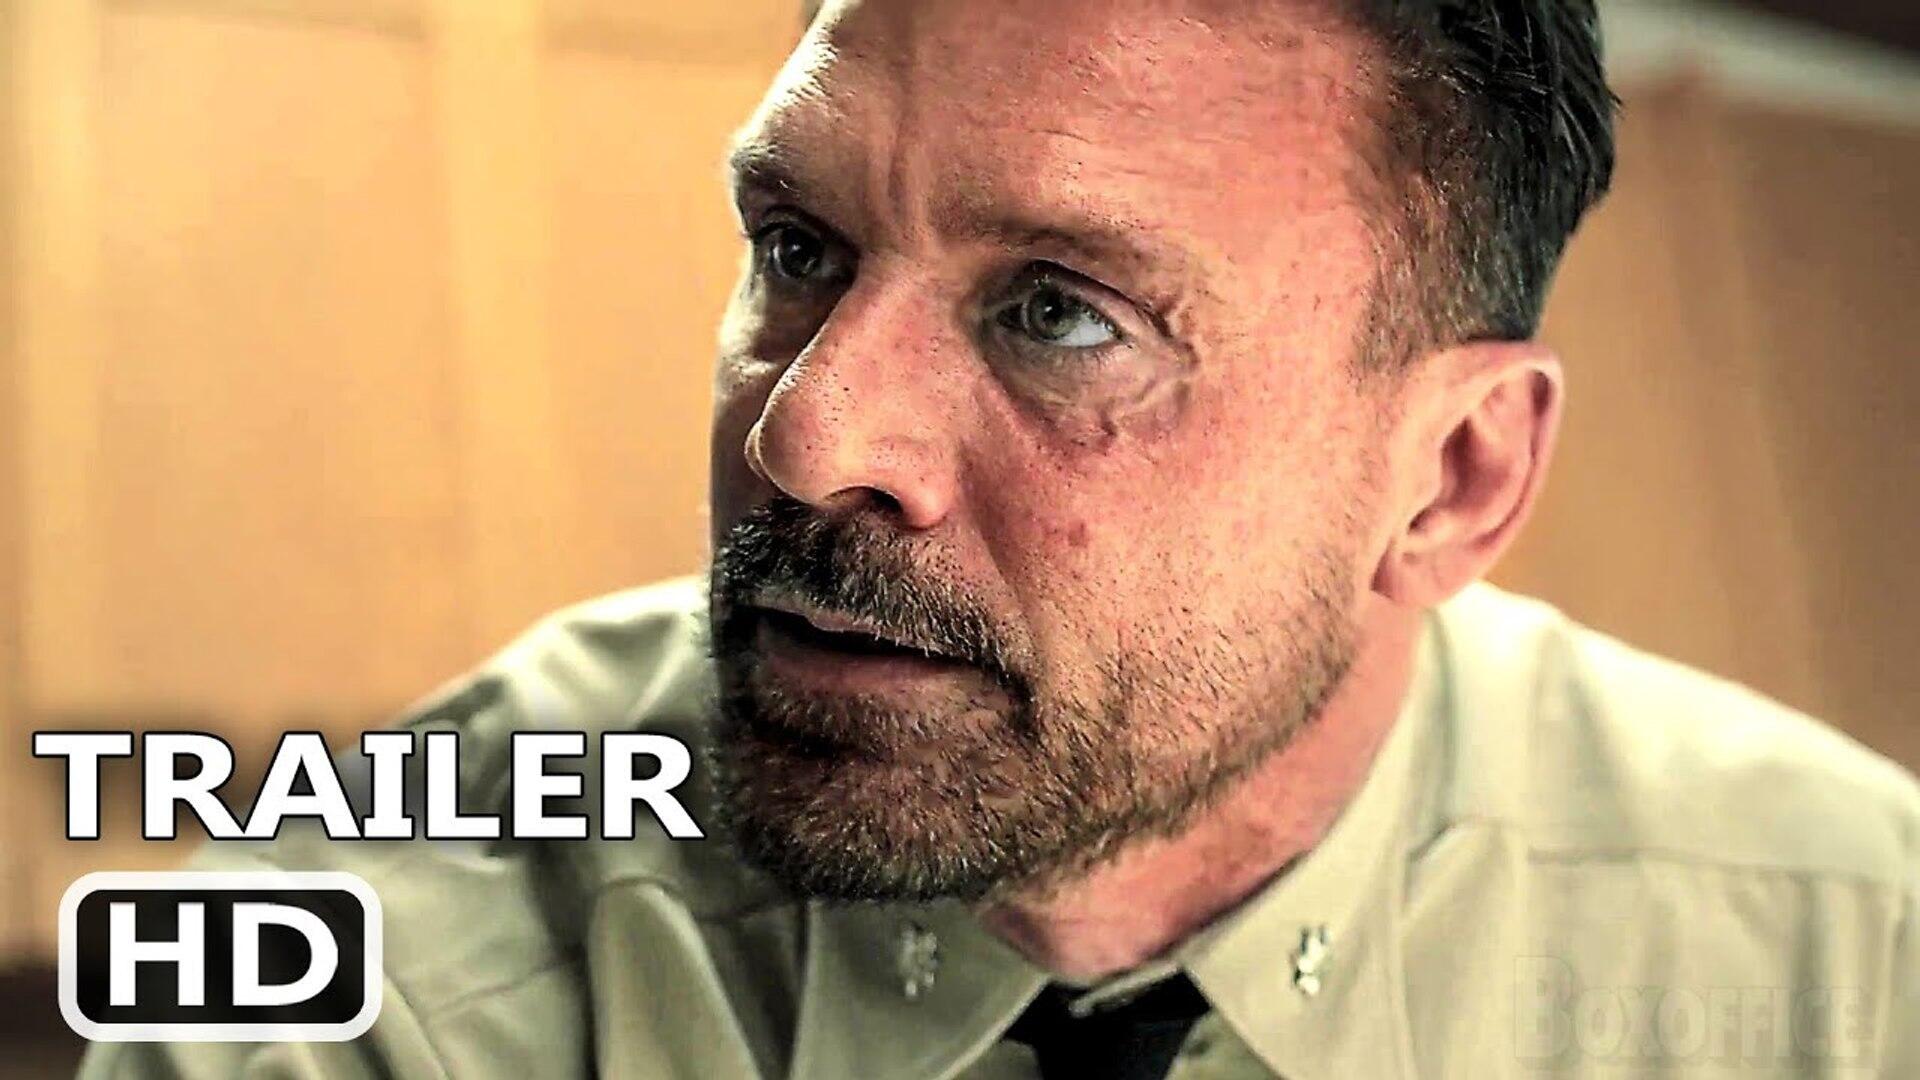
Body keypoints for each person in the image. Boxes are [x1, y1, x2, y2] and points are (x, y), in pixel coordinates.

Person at [83, 0, 1916, 1076]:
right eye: (799, 247)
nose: (808, 439)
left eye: (1060, 313)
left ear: (1448, 478)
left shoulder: (1851, 974)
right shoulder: (362, 980)